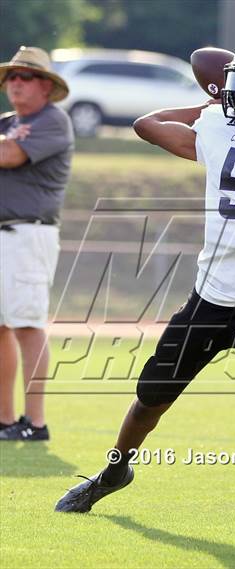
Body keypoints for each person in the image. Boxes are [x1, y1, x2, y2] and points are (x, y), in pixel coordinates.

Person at [55, 36, 235, 536]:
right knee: (149, 398)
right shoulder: (217, 123)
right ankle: (113, 471)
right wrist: (213, 100)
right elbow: (146, 125)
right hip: (210, 293)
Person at [0, 46, 74, 441]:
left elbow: (10, 155)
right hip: (3, 236)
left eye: (25, 76)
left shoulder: (53, 120)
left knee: (28, 325)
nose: (15, 82)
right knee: (0, 328)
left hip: (29, 233)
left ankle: (36, 422)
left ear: (46, 85)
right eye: (11, 76)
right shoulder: (9, 121)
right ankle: (6, 419)